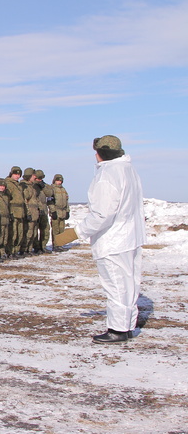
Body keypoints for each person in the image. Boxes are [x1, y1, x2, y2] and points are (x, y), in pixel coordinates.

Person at [55, 135, 146, 344]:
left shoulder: (108, 174)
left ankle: (118, 329)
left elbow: (102, 214)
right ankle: (127, 326)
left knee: (116, 284)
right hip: (130, 236)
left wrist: (75, 233)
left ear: (101, 153)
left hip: (114, 239)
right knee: (129, 283)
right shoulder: (128, 170)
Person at [4, 166, 25, 258]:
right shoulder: (7, 184)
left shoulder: (18, 185)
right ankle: (10, 251)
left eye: (19, 175)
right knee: (13, 233)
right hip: (13, 211)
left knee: (20, 232)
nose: (17, 176)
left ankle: (16, 250)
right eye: (15, 174)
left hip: (20, 211)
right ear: (11, 174)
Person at [46, 174, 70, 252]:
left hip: (63, 212)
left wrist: (67, 211)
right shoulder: (52, 189)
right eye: (57, 180)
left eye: (60, 181)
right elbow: (50, 201)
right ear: (54, 180)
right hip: (56, 212)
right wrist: (53, 211)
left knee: (61, 229)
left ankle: (60, 244)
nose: (59, 182)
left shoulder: (63, 189)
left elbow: (66, 201)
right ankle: (55, 245)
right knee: (55, 230)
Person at [20, 167, 39, 256]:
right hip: (30, 213)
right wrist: (28, 213)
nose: (35, 177)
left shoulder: (32, 186)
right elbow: (25, 200)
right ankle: (24, 249)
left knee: (33, 233)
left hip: (35, 213)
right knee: (28, 232)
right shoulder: (25, 186)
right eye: (33, 175)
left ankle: (29, 249)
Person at [33, 169, 51, 254]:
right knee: (34, 229)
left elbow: (50, 193)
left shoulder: (43, 185)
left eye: (41, 178)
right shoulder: (32, 186)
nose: (39, 180)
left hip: (44, 210)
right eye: (38, 178)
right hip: (35, 210)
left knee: (45, 228)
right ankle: (36, 247)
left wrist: (42, 186)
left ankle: (43, 246)